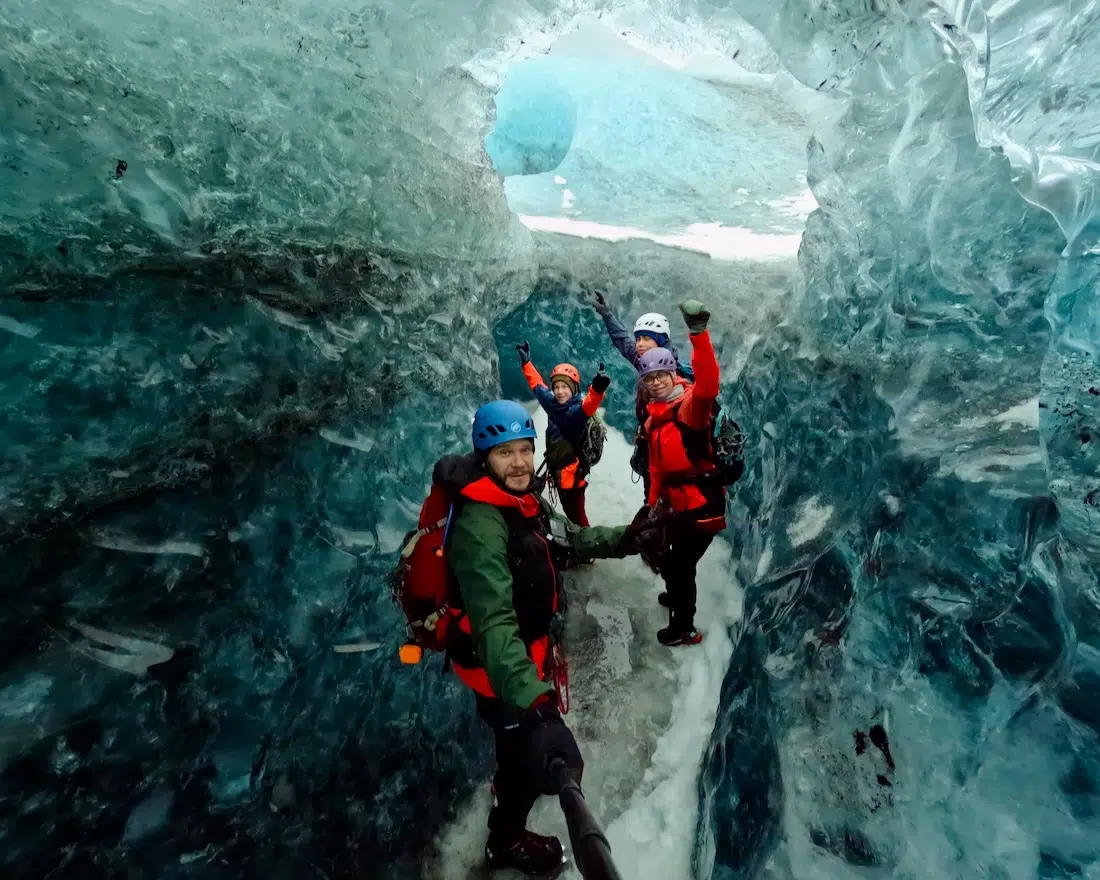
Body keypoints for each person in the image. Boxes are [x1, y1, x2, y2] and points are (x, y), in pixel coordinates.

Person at [439, 399, 660, 875]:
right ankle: (506, 840)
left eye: (524, 449)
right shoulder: (481, 526)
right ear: (484, 456)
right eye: (505, 453)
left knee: (516, 748)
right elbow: (494, 624)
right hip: (503, 671)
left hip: (525, 658)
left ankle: (509, 777)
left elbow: (566, 539)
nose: (519, 462)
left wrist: (624, 537)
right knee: (522, 756)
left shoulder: (518, 498)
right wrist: (534, 704)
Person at [637, 300, 725, 647]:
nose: (656, 383)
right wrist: (651, 504)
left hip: (703, 508)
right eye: (649, 378)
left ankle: (684, 629)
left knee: (679, 565)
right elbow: (657, 468)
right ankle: (676, 596)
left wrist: (698, 335)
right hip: (678, 505)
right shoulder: (654, 418)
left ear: (674, 374)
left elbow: (707, 386)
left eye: (661, 375)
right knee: (671, 558)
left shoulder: (688, 409)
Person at [588, 289, 694, 498]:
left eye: (646, 338)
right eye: (639, 338)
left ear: (662, 340)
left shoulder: (677, 373)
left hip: (673, 455)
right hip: (652, 447)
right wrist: (607, 315)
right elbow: (623, 341)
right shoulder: (646, 361)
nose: (639, 344)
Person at [515, 341, 610, 527]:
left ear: (574, 389)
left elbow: (590, 404)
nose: (559, 391)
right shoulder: (552, 405)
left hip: (572, 480)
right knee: (571, 513)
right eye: (556, 387)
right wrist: (526, 362)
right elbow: (537, 385)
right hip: (558, 474)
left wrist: (598, 390)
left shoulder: (576, 413)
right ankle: (581, 543)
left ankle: (586, 547)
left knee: (576, 515)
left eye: (564, 387)